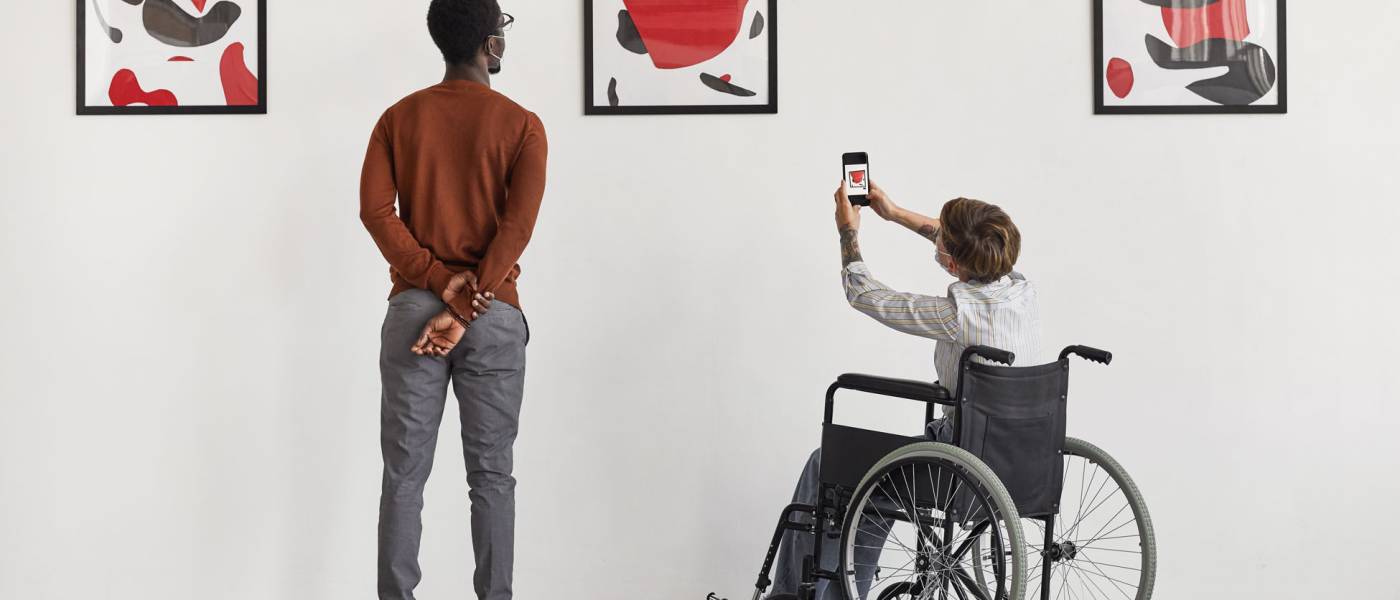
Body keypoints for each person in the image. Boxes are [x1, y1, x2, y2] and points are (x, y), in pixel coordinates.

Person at [766, 181, 1042, 599]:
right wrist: (892, 213)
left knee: (828, 465)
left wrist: (848, 231)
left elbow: (864, 294)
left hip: (960, 463)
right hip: (1022, 457)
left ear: (952, 264)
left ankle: (794, 596)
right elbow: (959, 246)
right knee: (873, 484)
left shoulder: (956, 314)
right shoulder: (1020, 288)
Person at [358, 2, 546, 599]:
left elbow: (375, 212)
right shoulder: (523, 125)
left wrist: (436, 280)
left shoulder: (397, 119)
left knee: (403, 477)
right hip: (491, 316)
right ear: (490, 44)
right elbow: (515, 230)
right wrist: (465, 302)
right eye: (503, 34)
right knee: (492, 476)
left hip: (417, 313)